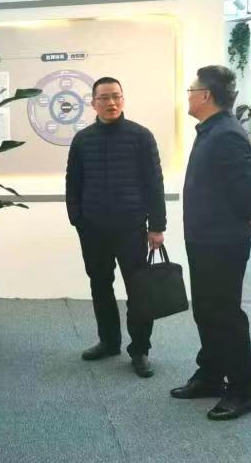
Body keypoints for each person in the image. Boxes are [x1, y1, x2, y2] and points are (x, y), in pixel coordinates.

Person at [172, 65, 251, 421]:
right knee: (206, 311)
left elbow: (248, 195)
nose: (188, 96)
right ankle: (211, 374)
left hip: (222, 242)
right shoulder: (211, 130)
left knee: (225, 314)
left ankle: (241, 390)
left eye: (191, 91)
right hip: (204, 238)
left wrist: (247, 216)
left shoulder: (226, 134)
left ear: (205, 95)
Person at [65, 77, 166, 378]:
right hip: (93, 229)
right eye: (104, 97)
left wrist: (157, 226)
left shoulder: (141, 136)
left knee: (139, 291)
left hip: (131, 227)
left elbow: (154, 183)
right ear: (93, 102)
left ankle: (140, 350)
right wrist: (77, 219)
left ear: (123, 99)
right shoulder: (82, 139)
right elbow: (73, 183)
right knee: (100, 285)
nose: (111, 103)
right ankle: (108, 342)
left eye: (117, 96)